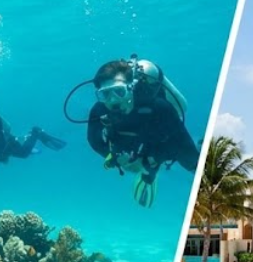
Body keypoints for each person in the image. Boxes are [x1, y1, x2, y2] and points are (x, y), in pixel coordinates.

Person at [82, 57, 198, 207]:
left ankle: (149, 175)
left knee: (185, 164)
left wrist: (147, 162)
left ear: (131, 87)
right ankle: (146, 171)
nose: (113, 100)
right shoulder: (99, 110)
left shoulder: (160, 109)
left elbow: (183, 149)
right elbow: (95, 141)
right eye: (105, 94)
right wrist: (114, 157)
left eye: (119, 91)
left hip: (156, 139)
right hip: (126, 144)